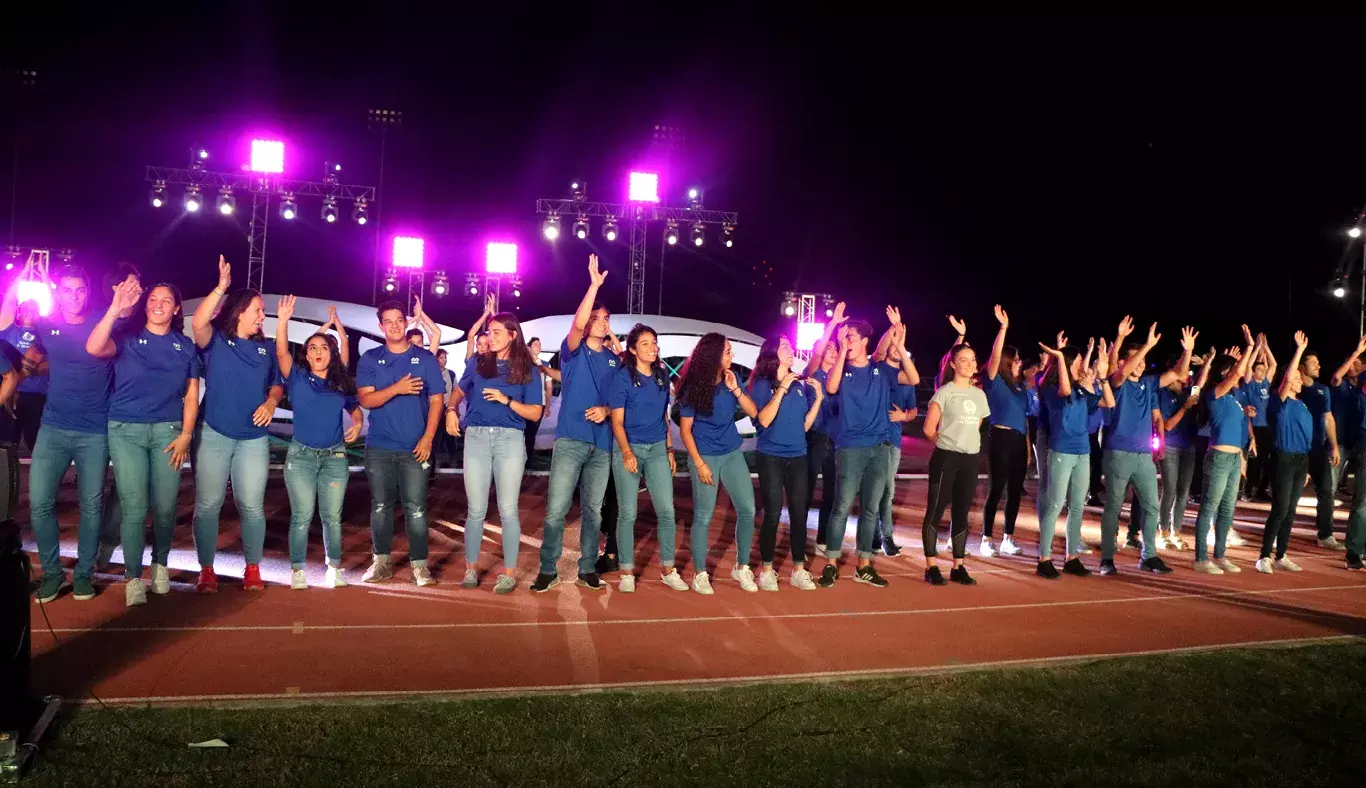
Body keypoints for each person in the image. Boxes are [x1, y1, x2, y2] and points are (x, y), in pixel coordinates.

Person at [86, 280, 197, 606]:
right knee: (134, 508)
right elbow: (94, 347)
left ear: (177, 308)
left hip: (168, 433)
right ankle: (133, 577)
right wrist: (115, 308)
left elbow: (191, 396)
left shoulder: (185, 346)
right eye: (153, 299)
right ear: (146, 305)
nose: (159, 304)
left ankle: (160, 566)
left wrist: (185, 436)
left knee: (164, 508)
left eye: (167, 300)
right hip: (126, 430)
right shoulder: (127, 339)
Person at [8, 265, 114, 602]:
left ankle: (83, 575)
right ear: (57, 293)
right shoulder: (47, 325)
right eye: (66, 290)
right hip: (52, 428)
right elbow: (30, 353)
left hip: (94, 433)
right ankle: (53, 575)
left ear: (87, 292)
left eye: (79, 290)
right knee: (38, 503)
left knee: (91, 506)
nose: (74, 296)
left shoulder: (104, 320)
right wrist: (13, 386)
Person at [189, 256, 283, 593]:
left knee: (252, 506)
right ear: (239, 311)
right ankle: (206, 569)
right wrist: (220, 288)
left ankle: (253, 569)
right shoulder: (215, 341)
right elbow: (198, 323)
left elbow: (276, 384)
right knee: (209, 504)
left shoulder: (266, 349)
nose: (262, 315)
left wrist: (271, 402)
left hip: (253, 439)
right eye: (257, 309)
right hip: (214, 433)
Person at [815, 307, 920, 589]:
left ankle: (864, 566)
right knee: (841, 508)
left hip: (879, 448)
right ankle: (831, 564)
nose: (847, 341)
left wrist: (898, 345)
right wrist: (839, 344)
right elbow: (833, 388)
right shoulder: (841, 369)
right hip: (850, 448)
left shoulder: (881, 370)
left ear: (864, 342)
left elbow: (914, 379)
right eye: (844, 337)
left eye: (851, 337)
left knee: (871, 509)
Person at [532, 257, 617, 592]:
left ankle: (586, 568)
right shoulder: (574, 351)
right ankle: (548, 568)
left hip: (603, 444)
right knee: (557, 510)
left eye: (604, 319)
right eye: (595, 318)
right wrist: (593, 287)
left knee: (594, 512)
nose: (598, 322)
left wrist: (608, 410)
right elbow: (577, 325)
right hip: (571, 440)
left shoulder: (614, 360)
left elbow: (620, 402)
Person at [446, 312, 543, 594]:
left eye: (497, 331)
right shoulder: (477, 363)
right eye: (489, 332)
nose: (490, 336)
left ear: (513, 334)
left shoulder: (527, 370)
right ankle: (471, 569)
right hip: (476, 438)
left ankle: (509, 574)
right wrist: (451, 410)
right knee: (475, 510)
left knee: (508, 509)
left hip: (510, 440)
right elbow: (458, 392)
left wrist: (507, 400)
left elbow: (535, 412)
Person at [275, 295, 363, 590]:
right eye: (312, 348)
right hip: (300, 456)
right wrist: (284, 321)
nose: (317, 351)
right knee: (301, 516)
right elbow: (281, 351)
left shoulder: (339, 381)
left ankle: (333, 569)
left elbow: (354, 408)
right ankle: (297, 570)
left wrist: (359, 421)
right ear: (307, 355)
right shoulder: (297, 377)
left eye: (324, 347)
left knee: (332, 518)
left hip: (335, 458)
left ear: (331, 353)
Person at [357, 299, 446, 586]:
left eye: (399, 319)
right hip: (379, 447)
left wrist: (429, 437)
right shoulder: (370, 358)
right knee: (381, 506)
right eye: (389, 321)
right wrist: (397, 388)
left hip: (415, 447)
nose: (395, 325)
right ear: (380, 326)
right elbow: (366, 399)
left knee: (417, 507)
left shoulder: (426, 359)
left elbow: (436, 400)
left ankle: (420, 567)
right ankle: (381, 563)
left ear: (406, 322)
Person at [1097, 319, 1193, 575]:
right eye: (1136, 360)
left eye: (1143, 360)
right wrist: (1146, 345)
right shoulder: (1116, 383)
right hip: (1118, 453)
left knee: (1151, 506)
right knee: (1114, 506)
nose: (1141, 364)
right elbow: (1120, 372)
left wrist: (1188, 351)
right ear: (1124, 364)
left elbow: (1178, 374)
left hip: (1143, 456)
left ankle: (1148, 555)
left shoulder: (1149, 384)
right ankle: (1107, 558)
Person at [678, 332, 760, 594]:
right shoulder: (693, 388)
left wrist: (736, 388)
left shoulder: (730, 381)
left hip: (731, 452)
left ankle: (742, 567)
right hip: (705, 456)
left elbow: (753, 412)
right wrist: (700, 464)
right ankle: (700, 573)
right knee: (704, 516)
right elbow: (685, 430)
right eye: (728, 351)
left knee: (747, 510)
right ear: (714, 355)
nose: (732, 355)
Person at [606, 323, 683, 593]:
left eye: (654, 342)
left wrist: (670, 449)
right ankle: (627, 571)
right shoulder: (622, 377)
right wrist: (626, 452)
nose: (653, 348)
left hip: (658, 449)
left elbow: (664, 417)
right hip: (630, 448)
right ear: (633, 349)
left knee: (667, 512)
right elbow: (617, 422)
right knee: (628, 513)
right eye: (646, 343)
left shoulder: (662, 376)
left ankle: (668, 570)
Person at [748, 334, 823, 591]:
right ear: (772, 353)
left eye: (791, 346)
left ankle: (798, 570)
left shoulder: (800, 384)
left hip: (798, 455)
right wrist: (781, 388)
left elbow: (804, 426)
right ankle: (767, 569)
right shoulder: (761, 383)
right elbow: (764, 420)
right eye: (784, 347)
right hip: (771, 455)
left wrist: (819, 399)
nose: (791, 350)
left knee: (800, 513)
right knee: (772, 512)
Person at [1035, 339, 1114, 578]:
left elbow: (1109, 402)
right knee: (1054, 504)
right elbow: (1065, 391)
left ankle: (1071, 557)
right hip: (1061, 451)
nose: (1082, 363)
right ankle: (1044, 558)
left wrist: (1102, 378)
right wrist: (1059, 357)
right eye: (1078, 360)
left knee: (1078, 506)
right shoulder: (1050, 388)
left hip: (1083, 452)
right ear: (1068, 363)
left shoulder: (1082, 388)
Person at [920, 321, 990, 586]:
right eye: (964, 360)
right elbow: (929, 429)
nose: (970, 364)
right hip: (946, 457)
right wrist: (948, 443)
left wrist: (966, 446)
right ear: (953, 364)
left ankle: (958, 566)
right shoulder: (944, 393)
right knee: (936, 510)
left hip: (970, 460)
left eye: (972, 359)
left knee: (962, 511)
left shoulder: (980, 396)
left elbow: (978, 427)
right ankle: (931, 565)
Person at [1193, 327, 1259, 574]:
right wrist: (1250, 348)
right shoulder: (1215, 393)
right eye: (1232, 370)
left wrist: (1246, 415)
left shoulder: (1233, 397)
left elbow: (1238, 425)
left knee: (1228, 508)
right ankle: (1200, 558)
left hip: (1233, 458)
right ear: (1223, 373)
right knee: (1209, 506)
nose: (1237, 375)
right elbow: (1237, 373)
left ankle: (1220, 555)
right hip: (1218, 457)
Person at [1258, 332, 1312, 574]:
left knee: (1290, 510)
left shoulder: (1302, 405)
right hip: (1284, 459)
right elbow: (1287, 377)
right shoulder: (1278, 402)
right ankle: (1263, 557)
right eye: (1296, 378)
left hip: (1301, 461)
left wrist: (1307, 466)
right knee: (1279, 508)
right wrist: (1299, 350)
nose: (1300, 381)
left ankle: (1281, 555)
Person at [980, 305, 1029, 557]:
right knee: (996, 488)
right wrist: (1003, 328)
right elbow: (995, 357)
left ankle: (1008, 537)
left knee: (1014, 490)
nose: (1020, 363)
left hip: (1019, 442)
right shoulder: (995, 382)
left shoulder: (1021, 389)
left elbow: (1026, 420)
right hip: (999, 437)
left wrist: (1028, 448)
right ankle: (986, 538)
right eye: (1017, 358)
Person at [1156, 350, 1213, 551]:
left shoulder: (1188, 392)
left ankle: (1176, 531)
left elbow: (1201, 382)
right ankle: (1163, 532)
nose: (1185, 379)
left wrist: (1208, 363)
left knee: (1183, 491)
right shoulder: (1163, 394)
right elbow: (1168, 425)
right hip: (1170, 446)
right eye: (1181, 377)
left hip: (1188, 447)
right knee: (1169, 490)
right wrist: (1186, 408)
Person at [804, 304, 845, 554]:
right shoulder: (814, 372)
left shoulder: (840, 376)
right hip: (813, 436)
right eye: (829, 349)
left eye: (835, 349)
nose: (831, 351)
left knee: (831, 490)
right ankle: (797, 536)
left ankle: (822, 538)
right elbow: (818, 351)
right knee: (806, 489)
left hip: (835, 439)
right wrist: (833, 325)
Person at [1297, 349, 1342, 550]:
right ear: (1301, 367)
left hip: (1317, 449)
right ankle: (1278, 534)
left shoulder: (1323, 390)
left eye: (1318, 362)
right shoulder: (1294, 390)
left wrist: (1333, 446)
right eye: (1313, 362)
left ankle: (1325, 535)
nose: (1318, 366)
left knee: (1326, 491)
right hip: (1296, 450)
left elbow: (1328, 417)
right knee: (1289, 493)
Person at [0, 299, 46, 452]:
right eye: (26, 309)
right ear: (19, 312)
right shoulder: (9, 331)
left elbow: (49, 365)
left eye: (34, 309)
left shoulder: (46, 336)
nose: (30, 313)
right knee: (8, 440)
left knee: (34, 438)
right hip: (9, 393)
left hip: (35, 394)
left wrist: (30, 368)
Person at [1243, 338, 1276, 500]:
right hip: (1252, 426)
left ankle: (1262, 490)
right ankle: (1247, 490)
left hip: (1265, 427)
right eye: (1260, 369)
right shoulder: (1250, 384)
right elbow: (1248, 365)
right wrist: (1256, 348)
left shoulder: (1266, 384)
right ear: (1254, 372)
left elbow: (1274, 365)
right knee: (1254, 461)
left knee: (1268, 461)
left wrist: (1266, 346)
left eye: (1264, 369)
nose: (1263, 372)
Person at [523, 337, 553, 458]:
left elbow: (549, 387)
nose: (539, 346)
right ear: (529, 347)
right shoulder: (523, 363)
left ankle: (527, 461)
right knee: (520, 432)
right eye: (535, 344)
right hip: (523, 403)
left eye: (540, 344)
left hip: (540, 403)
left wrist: (548, 406)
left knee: (531, 434)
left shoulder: (545, 365)